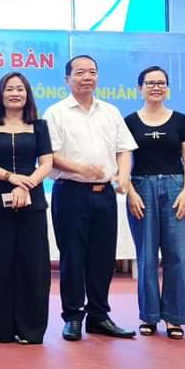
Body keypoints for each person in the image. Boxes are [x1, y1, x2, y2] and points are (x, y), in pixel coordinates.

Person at [43, 55, 137, 341]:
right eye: (80, 72)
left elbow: (124, 148)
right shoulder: (56, 113)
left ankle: (99, 316)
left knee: (102, 257)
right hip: (71, 192)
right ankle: (72, 316)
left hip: (104, 195)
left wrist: (123, 175)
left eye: (92, 72)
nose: (87, 77)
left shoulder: (110, 111)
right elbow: (50, 155)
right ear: (67, 79)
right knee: (72, 257)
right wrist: (81, 168)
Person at [124, 66, 185, 339]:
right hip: (141, 187)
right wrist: (130, 192)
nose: (156, 87)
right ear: (140, 87)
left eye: (161, 83)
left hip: (175, 187)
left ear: (167, 88)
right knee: (146, 256)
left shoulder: (179, 119)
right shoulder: (129, 121)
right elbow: (122, 160)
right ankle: (150, 316)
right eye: (150, 83)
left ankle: (175, 317)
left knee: (177, 255)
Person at [0, 72, 52, 345]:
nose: (15, 93)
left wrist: (27, 185)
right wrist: (11, 179)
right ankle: (3, 330)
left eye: (20, 89)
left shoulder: (40, 126)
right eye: (9, 89)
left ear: (27, 94)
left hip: (31, 201)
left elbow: (46, 162)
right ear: (0, 94)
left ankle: (31, 330)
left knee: (33, 266)